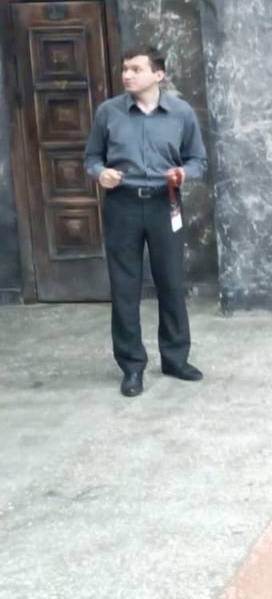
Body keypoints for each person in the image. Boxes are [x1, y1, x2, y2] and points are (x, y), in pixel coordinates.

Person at [83, 45, 207, 398]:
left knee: (171, 282)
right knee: (125, 287)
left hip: (165, 203)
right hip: (122, 204)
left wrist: (183, 173)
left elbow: (198, 160)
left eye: (136, 69)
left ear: (158, 74)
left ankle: (175, 359)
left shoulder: (181, 113)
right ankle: (132, 366)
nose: (127, 75)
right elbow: (92, 157)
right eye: (125, 69)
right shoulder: (108, 112)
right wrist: (101, 173)